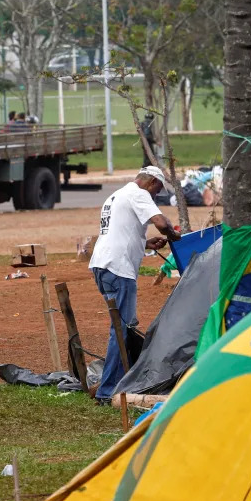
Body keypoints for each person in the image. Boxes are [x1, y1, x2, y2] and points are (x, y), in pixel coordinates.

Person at [89, 166, 181, 403]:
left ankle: (119, 382)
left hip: (102, 265)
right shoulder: (138, 194)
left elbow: (120, 232)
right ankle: (108, 391)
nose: (154, 196)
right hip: (119, 269)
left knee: (120, 328)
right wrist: (174, 236)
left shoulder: (116, 195)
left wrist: (146, 243)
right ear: (150, 183)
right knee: (121, 330)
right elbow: (161, 222)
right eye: (156, 191)